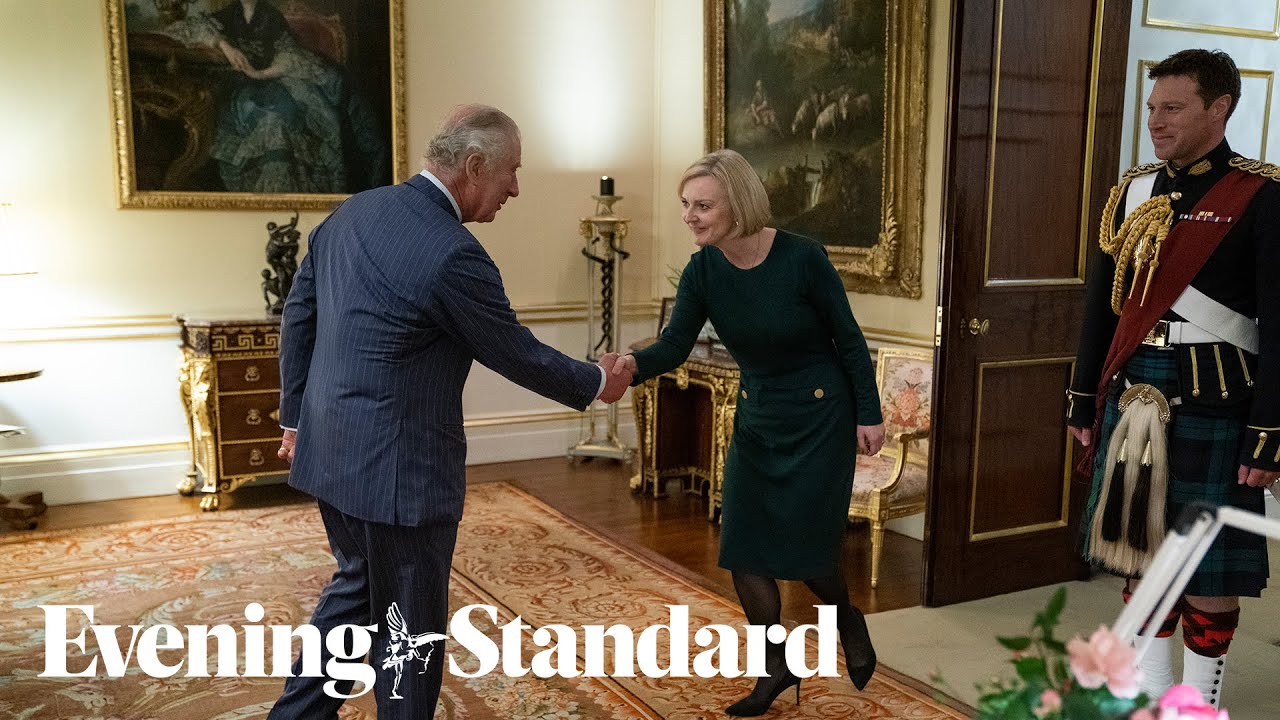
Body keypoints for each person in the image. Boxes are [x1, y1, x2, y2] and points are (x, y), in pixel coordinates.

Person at [268, 104, 633, 719]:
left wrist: (295, 419)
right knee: (409, 633)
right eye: (511, 172)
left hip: (332, 454)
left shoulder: (353, 212)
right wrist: (598, 381)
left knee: (356, 599)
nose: (515, 188)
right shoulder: (453, 254)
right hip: (400, 477)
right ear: (472, 165)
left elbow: (299, 315)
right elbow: (514, 351)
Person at [611, 149, 886, 716]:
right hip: (759, 417)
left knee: (810, 558)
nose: (689, 215)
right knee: (745, 550)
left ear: (737, 204)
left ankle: (848, 621)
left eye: (702, 205)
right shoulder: (703, 271)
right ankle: (775, 668)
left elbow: (849, 340)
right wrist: (627, 367)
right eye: (686, 204)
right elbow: (673, 346)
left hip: (820, 416)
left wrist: (870, 412)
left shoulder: (802, 259)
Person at [1067, 49, 1280, 709]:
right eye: (1153, 107)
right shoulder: (1131, 191)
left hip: (1219, 398)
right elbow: (1103, 304)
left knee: (1207, 566)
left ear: (1219, 109)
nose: (1156, 121)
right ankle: (1154, 694)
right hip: (1135, 394)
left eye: (1173, 107)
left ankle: (1197, 701)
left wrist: (1269, 435)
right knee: (1142, 551)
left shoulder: (1264, 196)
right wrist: (1082, 399)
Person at [163, 0, 386, 193]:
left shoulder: (271, 17)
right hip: (235, 88)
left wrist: (260, 73)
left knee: (300, 111)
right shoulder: (224, 17)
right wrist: (225, 45)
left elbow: (288, 54)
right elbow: (190, 29)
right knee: (262, 115)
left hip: (272, 80)